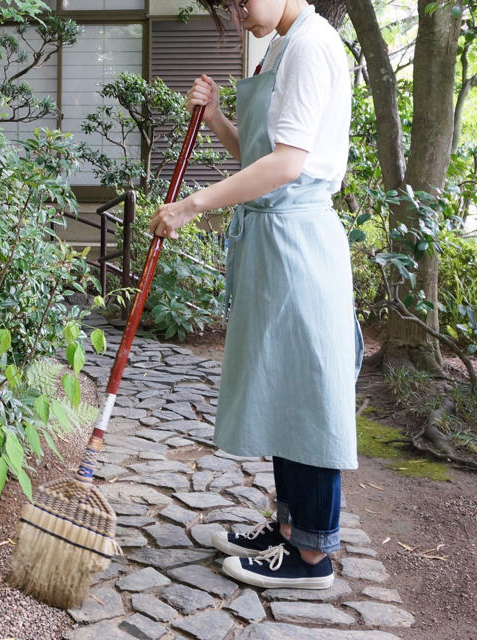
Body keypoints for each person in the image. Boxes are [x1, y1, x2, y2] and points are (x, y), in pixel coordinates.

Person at [149, 0, 364, 589]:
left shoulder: (312, 45)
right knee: (285, 393)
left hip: (298, 243)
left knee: (311, 395)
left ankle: (313, 556)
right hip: (276, 240)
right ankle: (289, 531)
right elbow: (261, 153)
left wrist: (191, 206)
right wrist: (217, 115)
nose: (239, 11)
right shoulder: (284, 42)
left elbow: (288, 165)